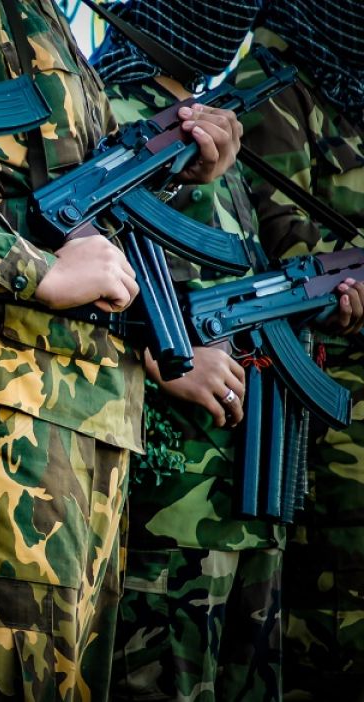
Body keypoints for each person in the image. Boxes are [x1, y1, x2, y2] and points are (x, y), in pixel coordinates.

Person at [0, 1, 242, 699]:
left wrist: (174, 168)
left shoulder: (47, 20)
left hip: (86, 425)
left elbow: (60, 195)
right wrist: (36, 271)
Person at [90, 3, 288, 699]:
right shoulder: (114, 108)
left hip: (240, 490)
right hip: (165, 496)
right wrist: (158, 350)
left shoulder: (207, 122)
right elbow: (69, 255)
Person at [230, 2, 364, 697]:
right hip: (332, 425)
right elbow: (284, 249)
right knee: (331, 623)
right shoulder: (277, 83)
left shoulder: (349, 92)